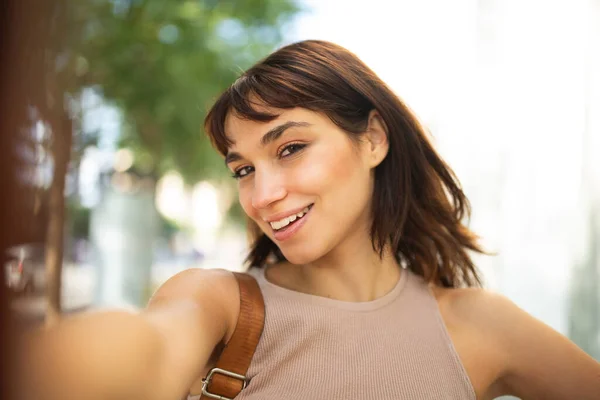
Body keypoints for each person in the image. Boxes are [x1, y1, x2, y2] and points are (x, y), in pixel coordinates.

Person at [20, 40, 600, 400]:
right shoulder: (219, 306)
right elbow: (140, 353)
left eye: (290, 148)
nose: (264, 193)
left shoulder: (480, 325)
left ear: (372, 139)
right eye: (242, 169)